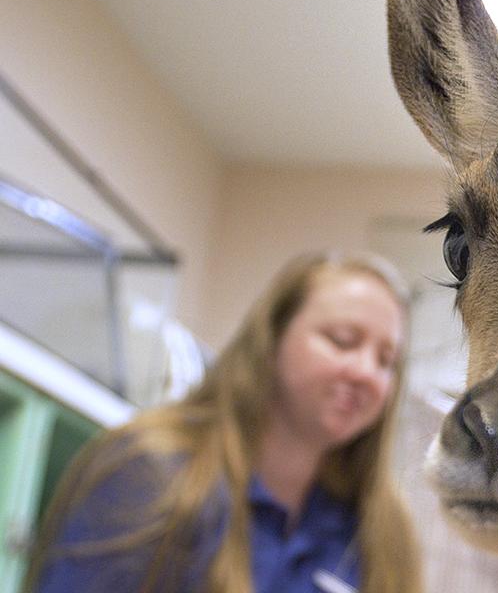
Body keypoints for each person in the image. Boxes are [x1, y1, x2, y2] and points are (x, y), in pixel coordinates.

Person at [24, 251, 422, 593]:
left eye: (387, 361)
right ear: (271, 340)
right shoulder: (154, 473)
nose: (367, 372)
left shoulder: (381, 532)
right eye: (342, 340)